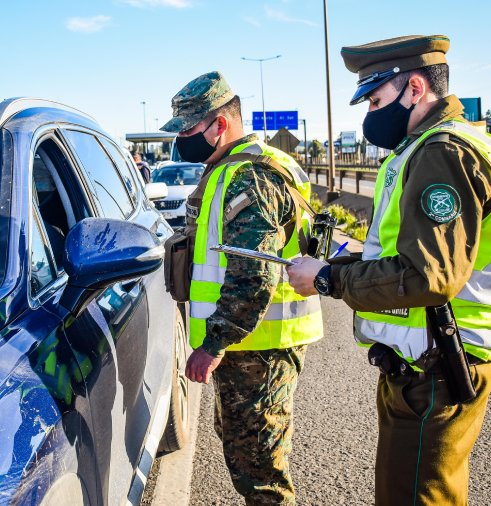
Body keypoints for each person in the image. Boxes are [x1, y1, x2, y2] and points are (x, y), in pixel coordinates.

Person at [286, 35, 491, 506]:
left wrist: (329, 279)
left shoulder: (443, 152)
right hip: (427, 364)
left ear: (415, 88)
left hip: (436, 369)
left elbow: (427, 276)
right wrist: (333, 265)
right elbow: (398, 255)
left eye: (375, 99)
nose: (370, 114)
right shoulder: (428, 147)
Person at [160, 71, 324, 505]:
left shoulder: (251, 176)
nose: (181, 141)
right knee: (244, 449)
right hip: (250, 343)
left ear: (219, 124)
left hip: (260, 344)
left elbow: (254, 275)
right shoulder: (230, 169)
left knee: (260, 470)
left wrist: (213, 344)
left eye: (188, 129)